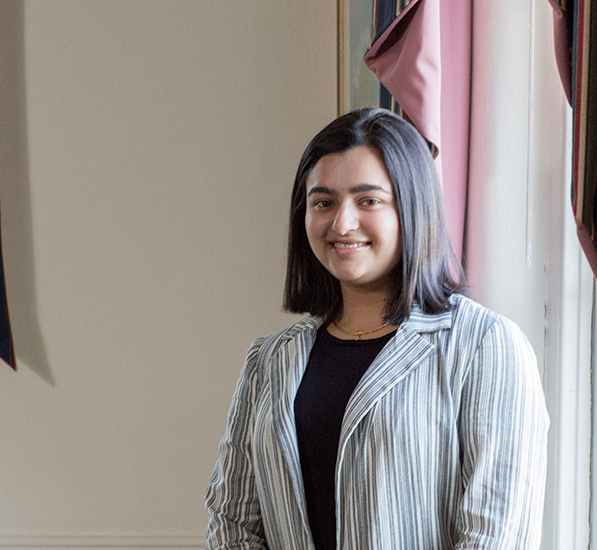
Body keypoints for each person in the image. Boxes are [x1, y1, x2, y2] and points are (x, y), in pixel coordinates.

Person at [205, 108, 549, 550]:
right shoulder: (268, 361)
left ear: (412, 207)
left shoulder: (484, 346)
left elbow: (495, 538)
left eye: (368, 201)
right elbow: (231, 519)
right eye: (323, 202)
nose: (341, 223)